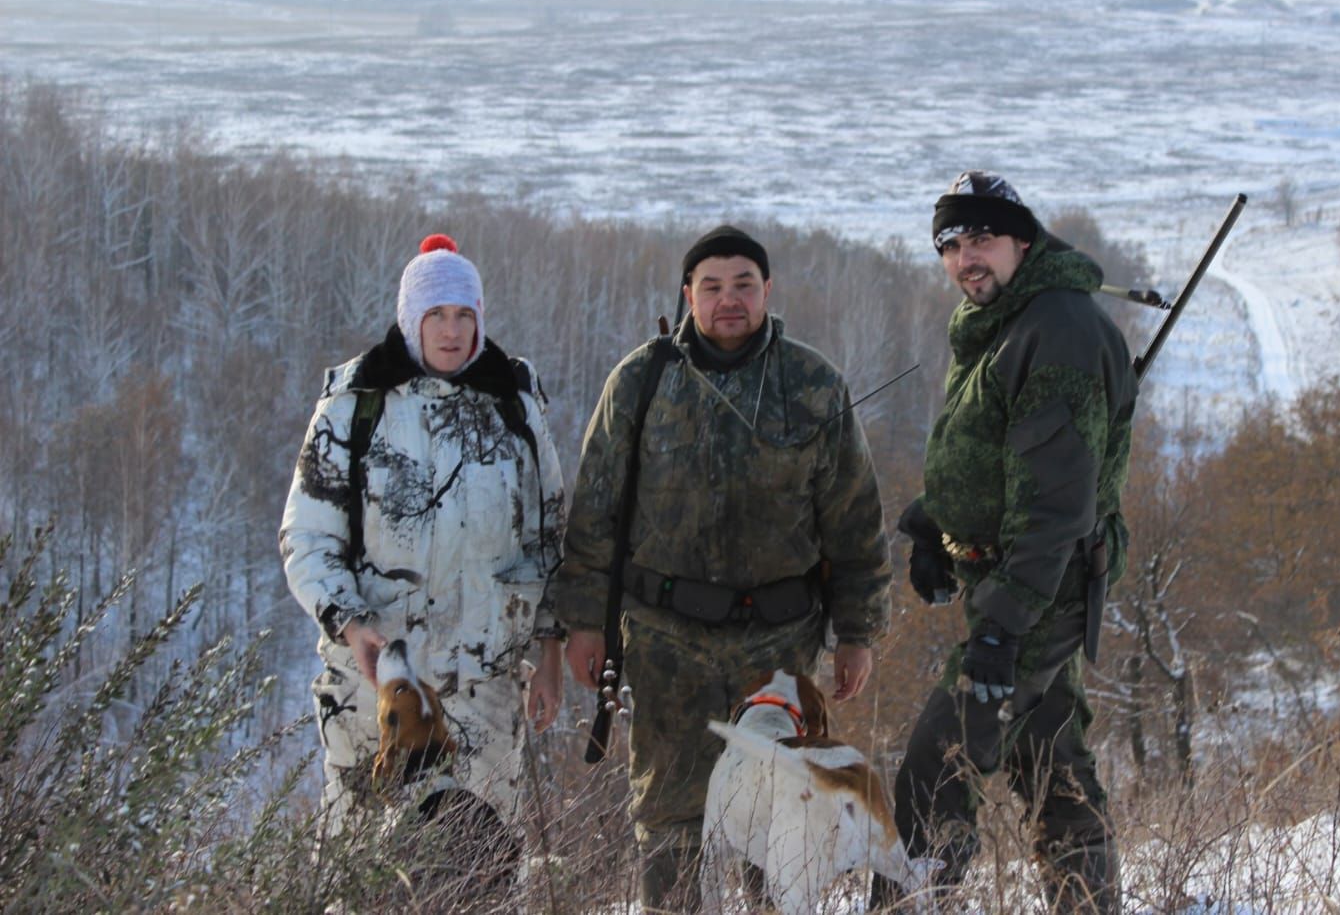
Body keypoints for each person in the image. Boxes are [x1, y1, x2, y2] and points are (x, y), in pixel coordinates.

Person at [550, 224, 893, 912]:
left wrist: (857, 632)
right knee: (671, 823)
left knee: (781, 822)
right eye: (711, 286)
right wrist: (582, 624)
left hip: (778, 645)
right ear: (687, 295)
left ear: (767, 290)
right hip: (663, 643)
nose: (728, 299)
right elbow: (593, 516)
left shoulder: (813, 384)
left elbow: (853, 520)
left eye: (743, 284)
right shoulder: (642, 382)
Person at [879, 172, 1137, 913]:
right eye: (951, 244)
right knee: (1048, 752)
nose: (967, 258)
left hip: (1036, 589)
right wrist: (936, 523)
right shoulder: (1008, 321)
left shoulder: (1055, 330)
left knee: (939, 762)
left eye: (982, 239)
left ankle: (911, 902)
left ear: (1022, 240)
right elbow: (998, 455)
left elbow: (1056, 502)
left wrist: (999, 630)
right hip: (1016, 582)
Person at [280, 233, 566, 838]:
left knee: (481, 874)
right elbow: (308, 540)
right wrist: (351, 625)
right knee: (357, 876)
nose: (451, 330)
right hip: (375, 690)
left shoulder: (512, 406)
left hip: (482, 691)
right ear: (411, 317)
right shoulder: (354, 406)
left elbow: (549, 539)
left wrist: (549, 656)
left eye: (465, 315)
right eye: (436, 314)